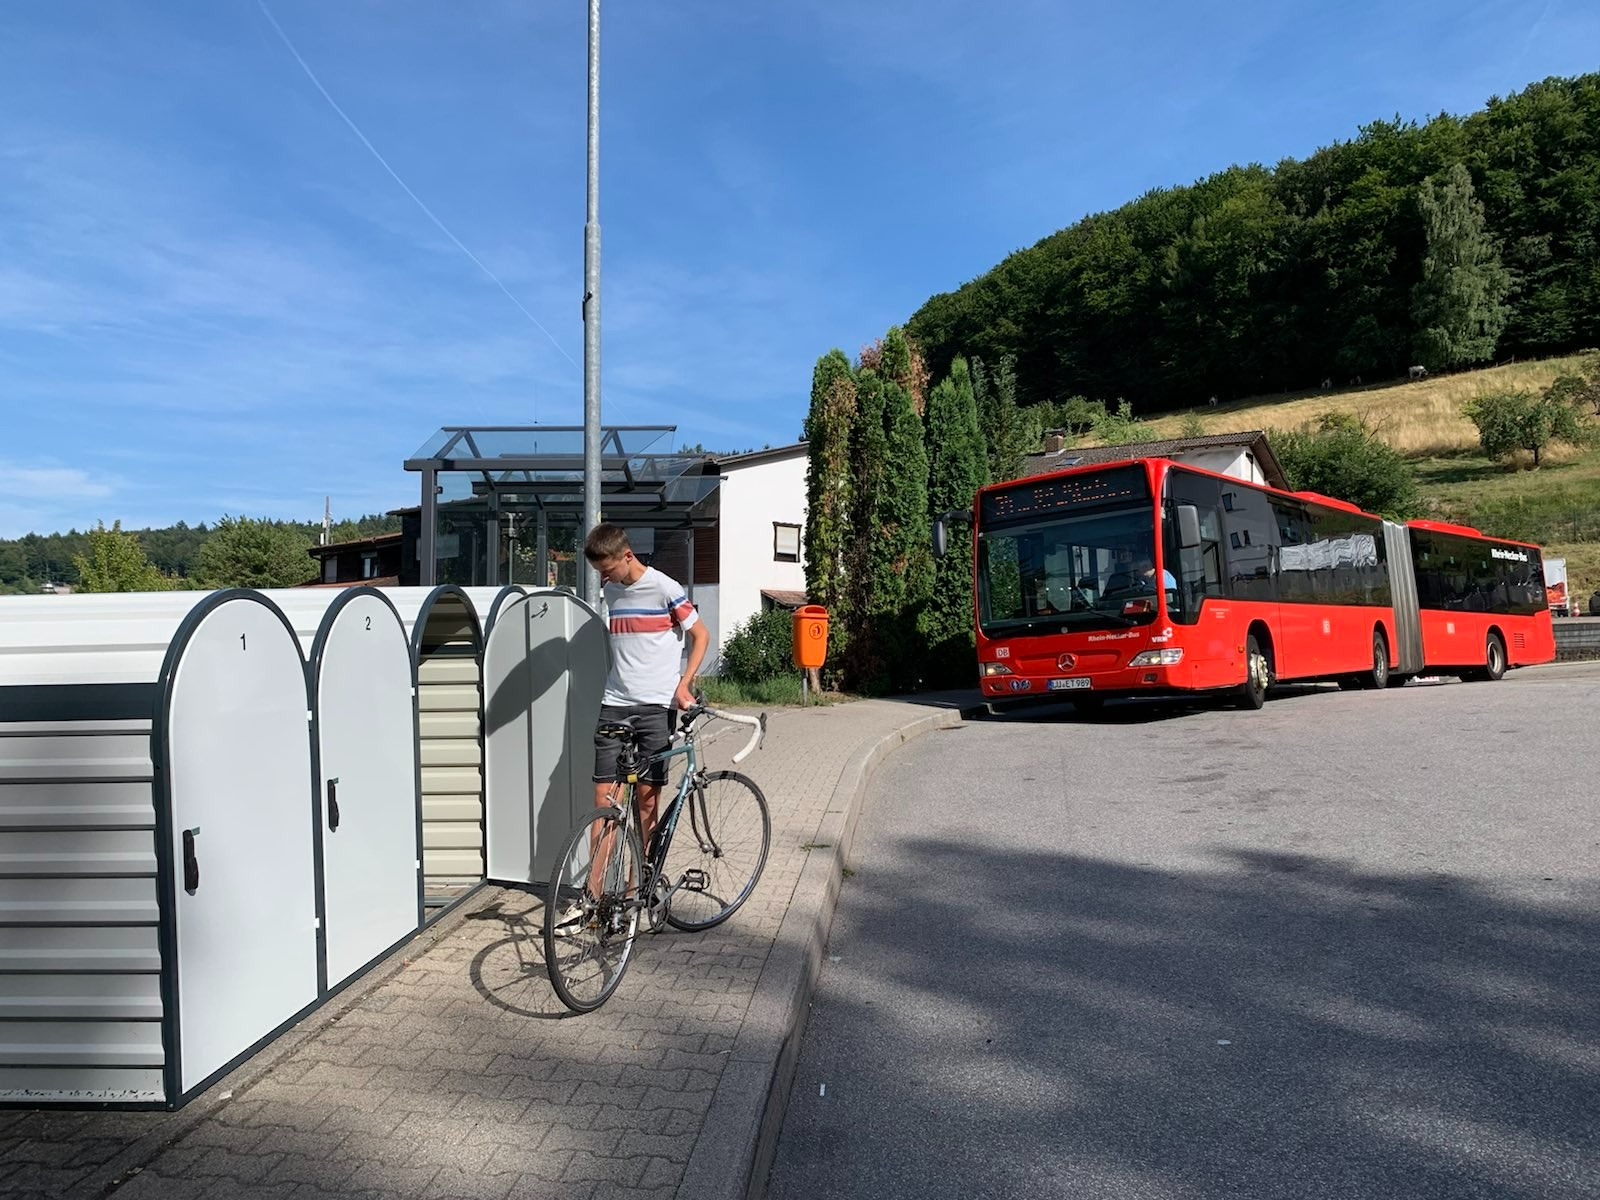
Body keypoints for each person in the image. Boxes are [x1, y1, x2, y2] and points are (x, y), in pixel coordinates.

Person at [584, 524, 710, 854]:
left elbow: (701, 635)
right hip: (614, 703)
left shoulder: (665, 588)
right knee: (605, 801)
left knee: (647, 800)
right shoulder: (612, 590)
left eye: (607, 569)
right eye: (599, 571)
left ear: (628, 555)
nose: (603, 577)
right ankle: (594, 885)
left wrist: (685, 683)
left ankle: (638, 880)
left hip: (657, 706)